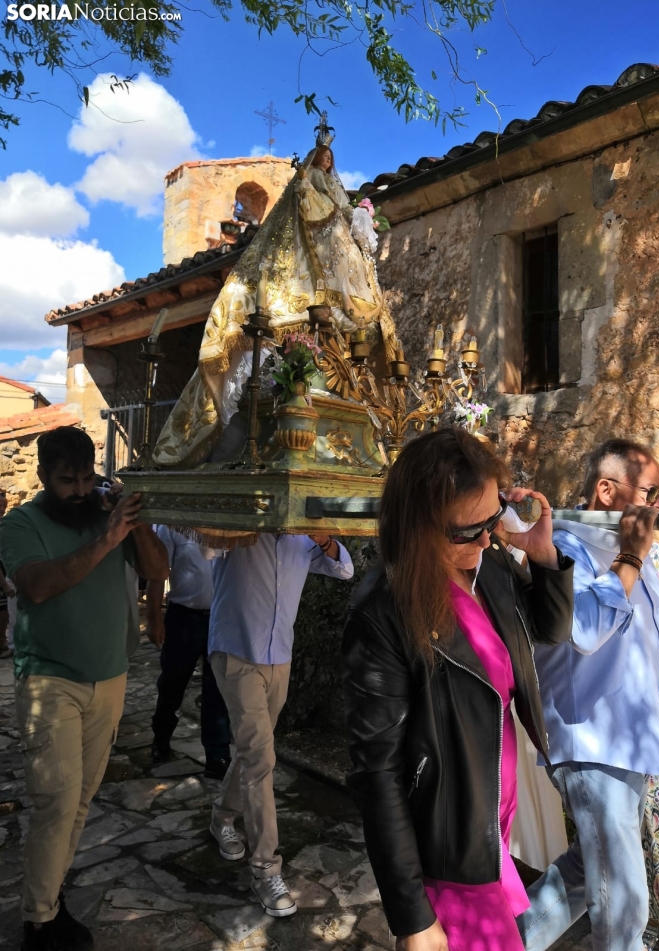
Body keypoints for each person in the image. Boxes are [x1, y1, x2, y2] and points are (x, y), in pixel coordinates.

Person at [342, 427, 575, 951]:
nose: (487, 540)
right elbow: (377, 775)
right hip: (449, 856)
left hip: (489, 832)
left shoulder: (487, 566)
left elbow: (547, 630)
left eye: (492, 522)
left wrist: (541, 556)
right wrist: (412, 918)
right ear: (418, 525)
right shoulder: (383, 612)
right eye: (467, 531)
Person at [0, 427, 168, 951]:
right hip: (49, 680)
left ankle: (50, 899)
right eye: (66, 480)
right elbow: (39, 585)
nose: (78, 490)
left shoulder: (104, 515)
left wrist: (133, 525)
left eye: (85, 479)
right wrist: (108, 538)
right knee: (56, 800)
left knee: (78, 803)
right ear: (44, 477)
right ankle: (39, 923)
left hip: (109, 677)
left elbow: (158, 569)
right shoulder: (18, 524)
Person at [152, 121, 397, 469]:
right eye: (322, 158)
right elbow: (310, 206)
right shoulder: (308, 184)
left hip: (333, 260)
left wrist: (356, 219)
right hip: (316, 246)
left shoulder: (334, 185)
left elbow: (340, 210)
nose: (327, 163)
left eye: (330, 159)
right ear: (315, 159)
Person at [517, 438, 659, 951]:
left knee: (588, 873)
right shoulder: (563, 547)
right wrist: (630, 556)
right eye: (650, 493)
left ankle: (501, 945)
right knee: (624, 904)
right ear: (607, 491)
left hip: (628, 745)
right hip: (591, 744)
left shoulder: (637, 557)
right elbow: (584, 631)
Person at [207, 531, 353, 917]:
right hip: (236, 651)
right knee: (260, 758)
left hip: (279, 655)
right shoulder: (236, 530)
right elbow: (207, 544)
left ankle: (221, 815)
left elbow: (345, 568)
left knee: (255, 750)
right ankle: (265, 869)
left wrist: (323, 539)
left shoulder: (302, 538)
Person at [147, 526, 231, 780]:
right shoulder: (173, 526)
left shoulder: (230, 525)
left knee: (217, 688)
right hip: (184, 617)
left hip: (222, 618)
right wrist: (154, 619)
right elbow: (156, 572)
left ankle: (217, 755)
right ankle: (161, 737)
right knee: (172, 682)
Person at [0, 487, 15, 658]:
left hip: (7, 571)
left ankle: (4, 642)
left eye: (3, 507)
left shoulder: (7, 525)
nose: (2, 511)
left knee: (6, 609)